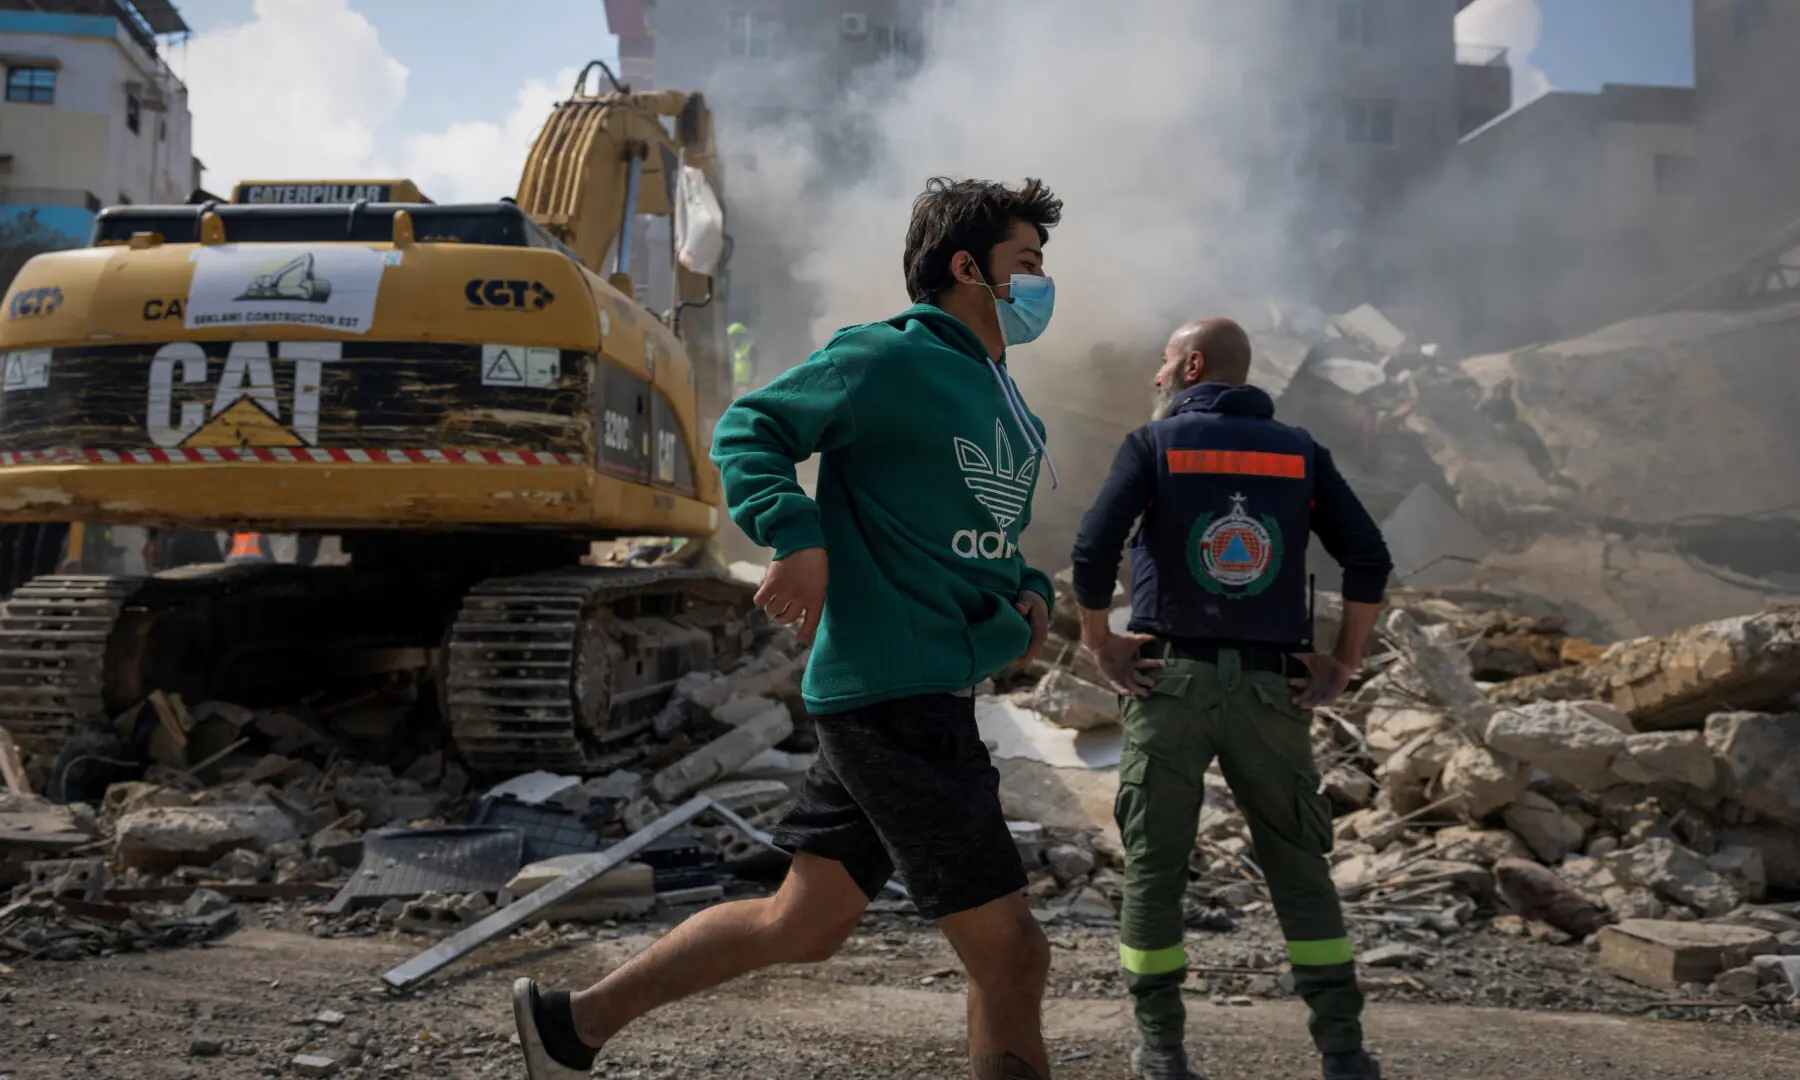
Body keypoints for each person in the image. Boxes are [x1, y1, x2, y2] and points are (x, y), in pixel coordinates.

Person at [512, 176, 1069, 1080]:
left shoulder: (1010, 404)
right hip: (897, 703)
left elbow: (978, 539)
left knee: (801, 924)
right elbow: (751, 428)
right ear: (970, 268)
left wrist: (1030, 587)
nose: (1044, 284)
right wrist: (797, 533)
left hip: (922, 694)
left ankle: (568, 1025)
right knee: (1012, 954)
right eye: (1028, 264)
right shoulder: (883, 360)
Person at [1068, 319, 1395, 1080]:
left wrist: (1100, 643)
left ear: (1190, 365)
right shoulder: (1301, 452)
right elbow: (1369, 558)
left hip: (1167, 684)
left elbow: (1091, 549)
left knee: (1155, 866)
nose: (1155, 379)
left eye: (1162, 364)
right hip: (1269, 689)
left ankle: (1162, 1051)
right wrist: (1342, 661)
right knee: (1299, 866)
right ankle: (1343, 1052)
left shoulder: (1151, 446)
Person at [728, 320, 756, 397]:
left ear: (740, 336)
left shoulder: (750, 348)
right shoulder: (736, 351)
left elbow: (756, 367)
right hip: (737, 386)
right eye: (731, 338)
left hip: (747, 386)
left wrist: (752, 382)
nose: (732, 340)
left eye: (734, 337)